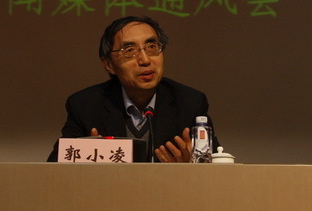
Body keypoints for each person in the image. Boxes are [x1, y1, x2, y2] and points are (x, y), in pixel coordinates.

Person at [47, 16, 218, 163]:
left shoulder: (189, 103)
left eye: (152, 47)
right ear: (109, 64)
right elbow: (54, 170)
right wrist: (85, 157)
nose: (145, 60)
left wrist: (192, 166)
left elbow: (218, 164)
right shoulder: (85, 105)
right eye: (129, 51)